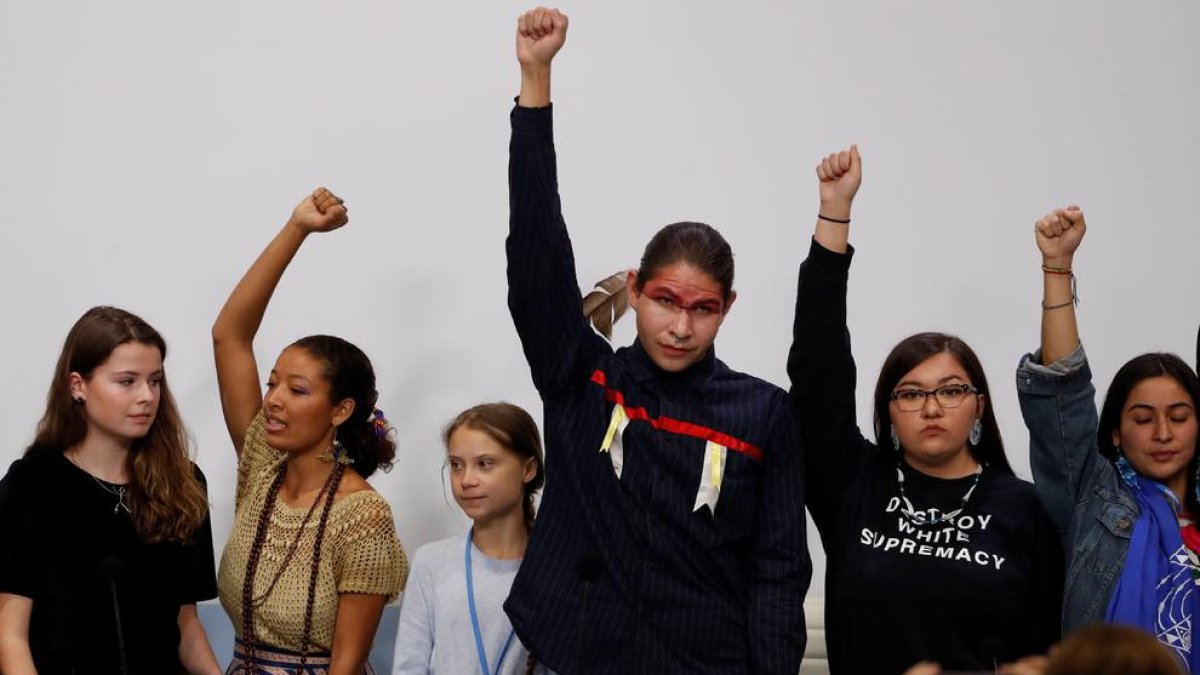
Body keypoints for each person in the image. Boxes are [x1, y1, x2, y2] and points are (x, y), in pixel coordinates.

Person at [504, 8, 810, 674]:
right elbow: (537, 257)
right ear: (637, 289)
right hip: (575, 657)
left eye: (703, 309)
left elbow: (779, 568)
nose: (680, 326)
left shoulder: (763, 414)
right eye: (667, 301)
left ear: (727, 308)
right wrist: (536, 84)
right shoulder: (582, 376)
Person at [788, 146, 1062, 673]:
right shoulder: (854, 484)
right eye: (911, 394)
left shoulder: (1023, 509)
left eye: (951, 391)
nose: (932, 407)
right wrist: (834, 214)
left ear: (979, 406)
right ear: (889, 412)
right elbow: (818, 368)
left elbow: (1041, 653)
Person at [212, 188, 407, 674]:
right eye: (272, 384)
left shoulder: (363, 517)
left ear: (341, 410)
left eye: (297, 390)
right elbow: (229, 335)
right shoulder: (261, 466)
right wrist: (297, 228)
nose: (274, 399)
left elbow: (346, 665)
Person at [1017, 206, 1200, 670]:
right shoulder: (1092, 499)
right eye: (1143, 418)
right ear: (1116, 433)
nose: (1163, 433)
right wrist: (1057, 269)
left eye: (1179, 417)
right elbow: (1063, 395)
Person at [0, 306, 220, 675]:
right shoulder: (30, 486)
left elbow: (186, 625)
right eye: (127, 381)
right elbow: (10, 637)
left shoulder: (183, 483)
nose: (147, 396)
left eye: (155, 380)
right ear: (78, 386)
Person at [392, 403, 543, 675]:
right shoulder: (431, 563)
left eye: (485, 464)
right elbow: (409, 667)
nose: (466, 480)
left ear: (528, 469)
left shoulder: (556, 570)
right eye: (456, 465)